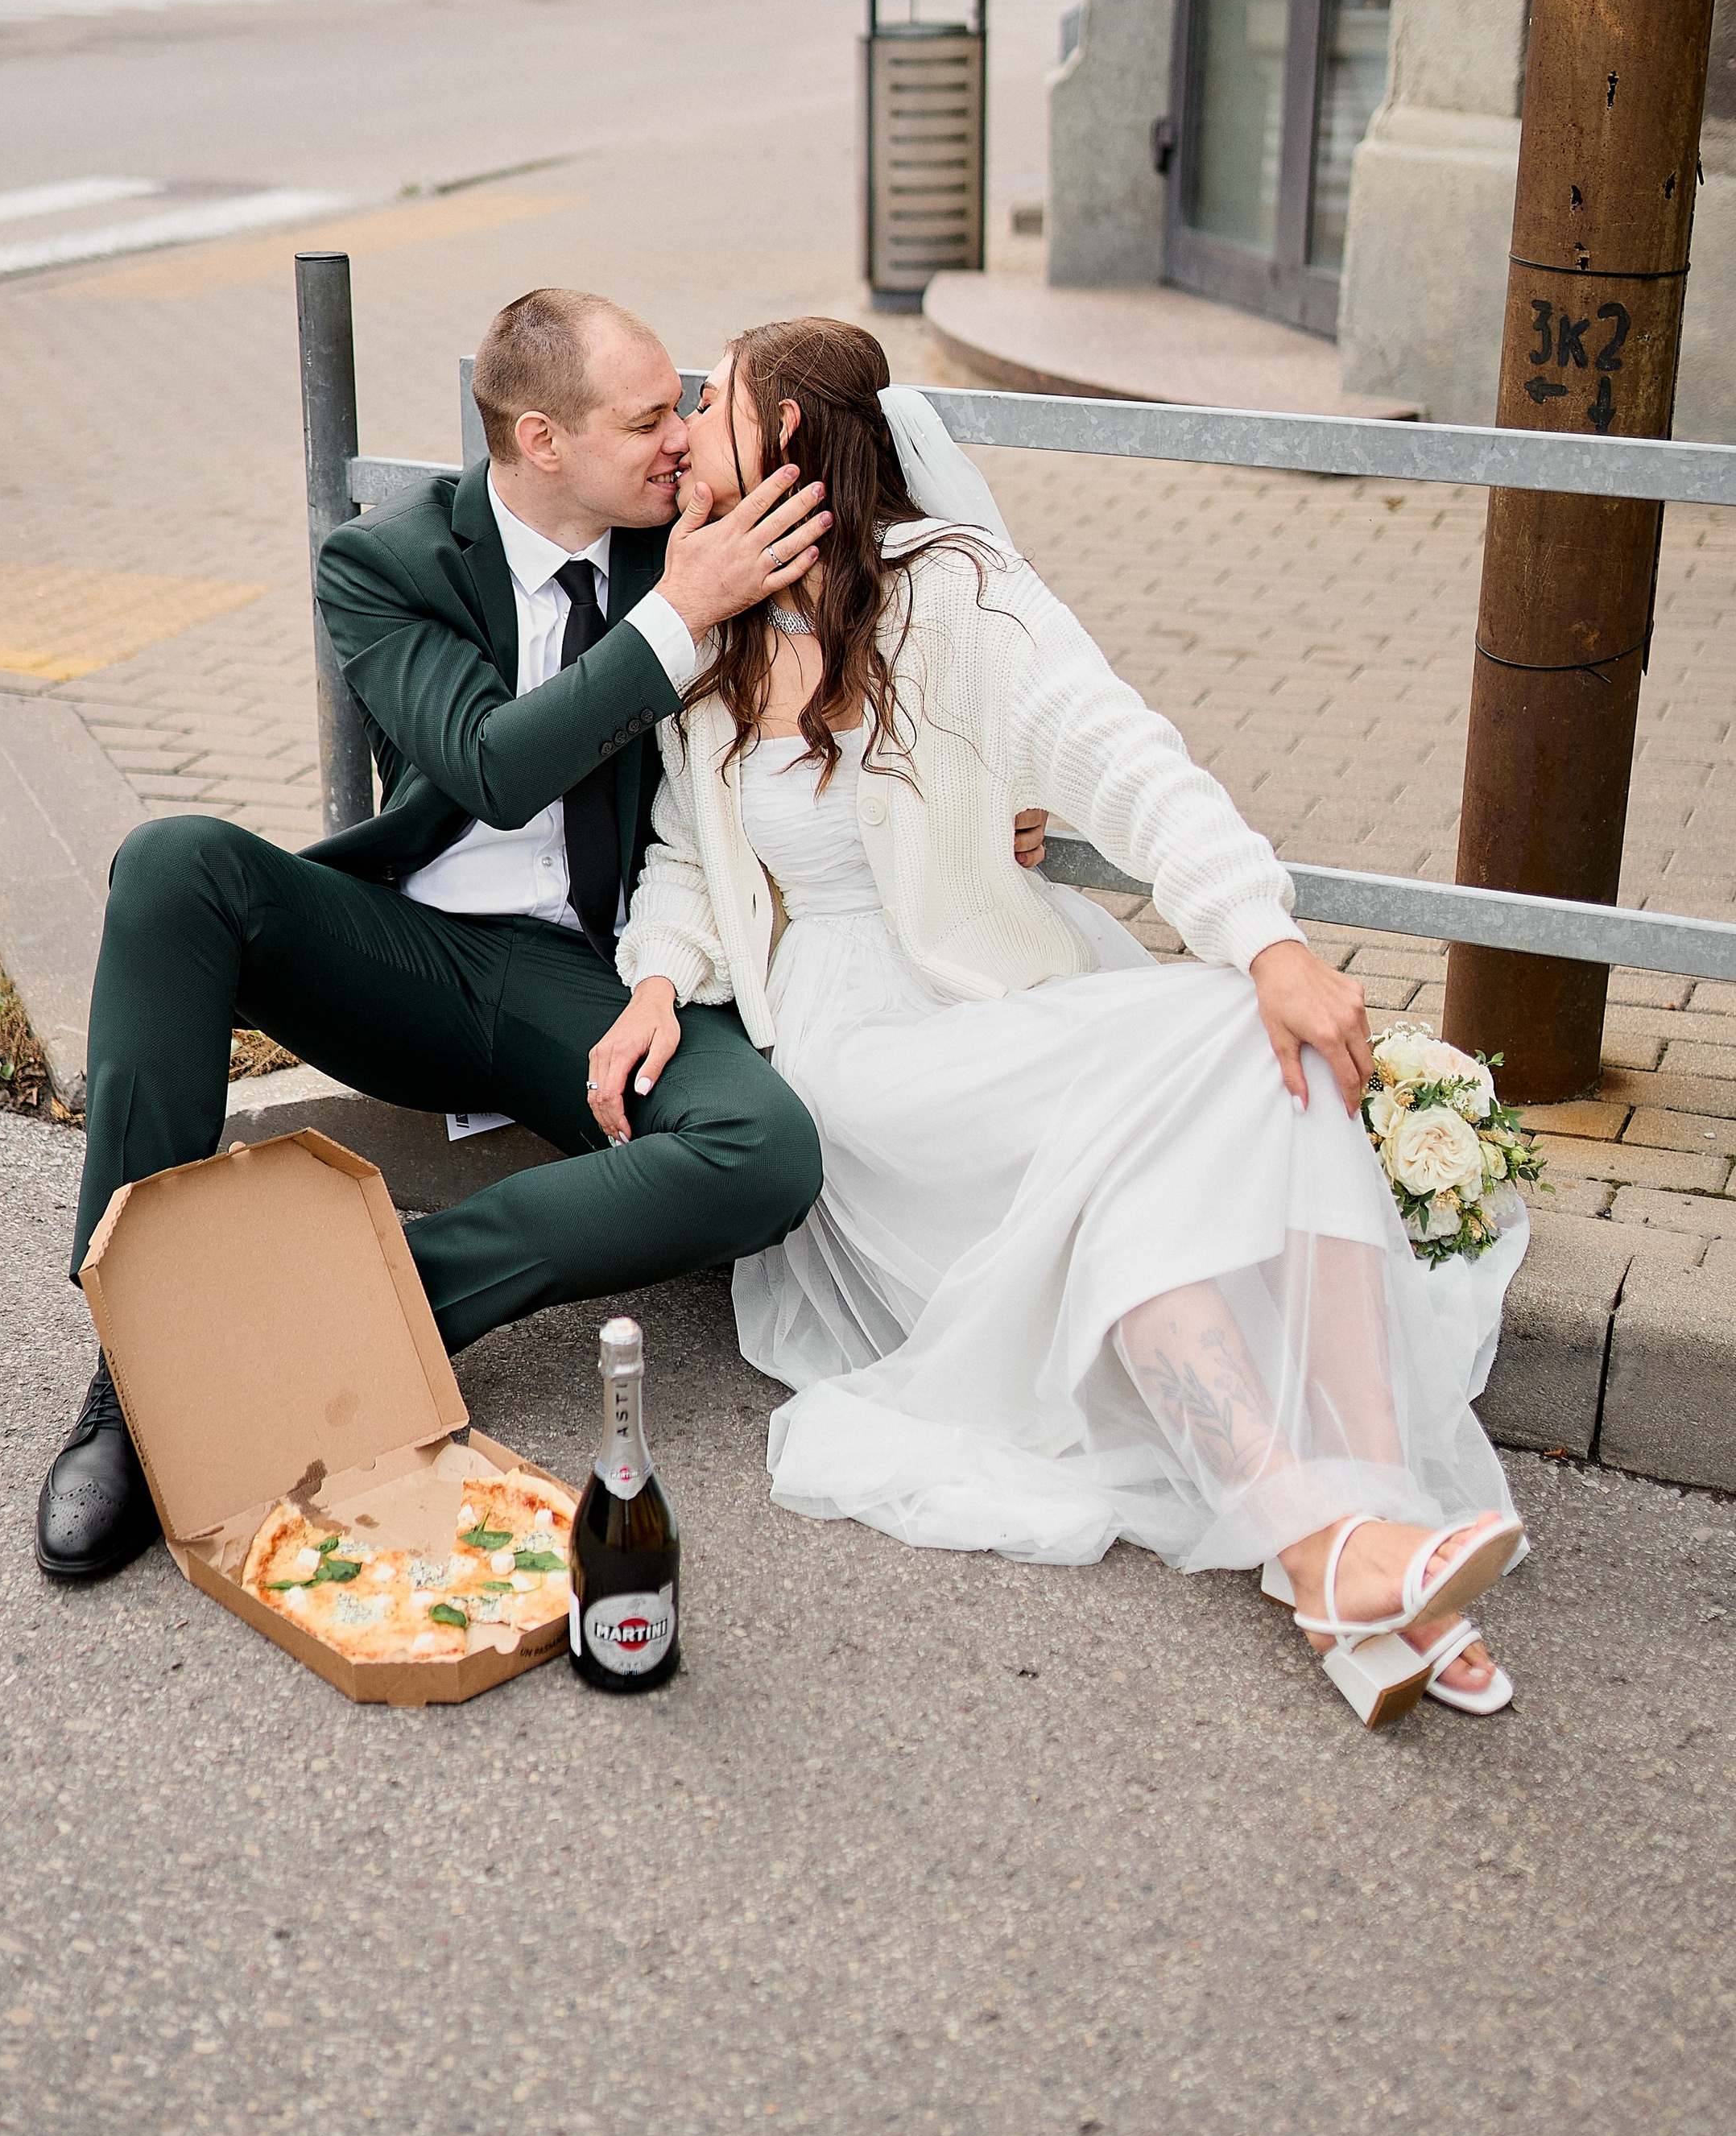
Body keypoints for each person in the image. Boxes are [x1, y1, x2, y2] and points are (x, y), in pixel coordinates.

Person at [589, 318, 1533, 1728]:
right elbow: (685, 854)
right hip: (863, 1055)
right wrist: (659, 974)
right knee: (1170, 1114)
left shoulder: (956, 596)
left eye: (707, 400)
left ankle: (1359, 1542)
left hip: (1001, 987)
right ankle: (1354, 1550)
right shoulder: (701, 627)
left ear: (785, 434)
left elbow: (1123, 756)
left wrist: (1269, 941)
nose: (682, 424)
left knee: (1256, 1038)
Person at [34, 287, 835, 1582]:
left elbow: (876, 618)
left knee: (769, 1147)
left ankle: (359, 1301)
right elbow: (489, 765)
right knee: (172, 862)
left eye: (683, 403)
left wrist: (953, 801)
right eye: (648, 417)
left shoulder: (690, 536)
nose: (682, 437)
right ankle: (131, 1378)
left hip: (594, 979)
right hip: (402, 955)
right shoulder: (389, 563)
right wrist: (676, 617)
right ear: (540, 441)